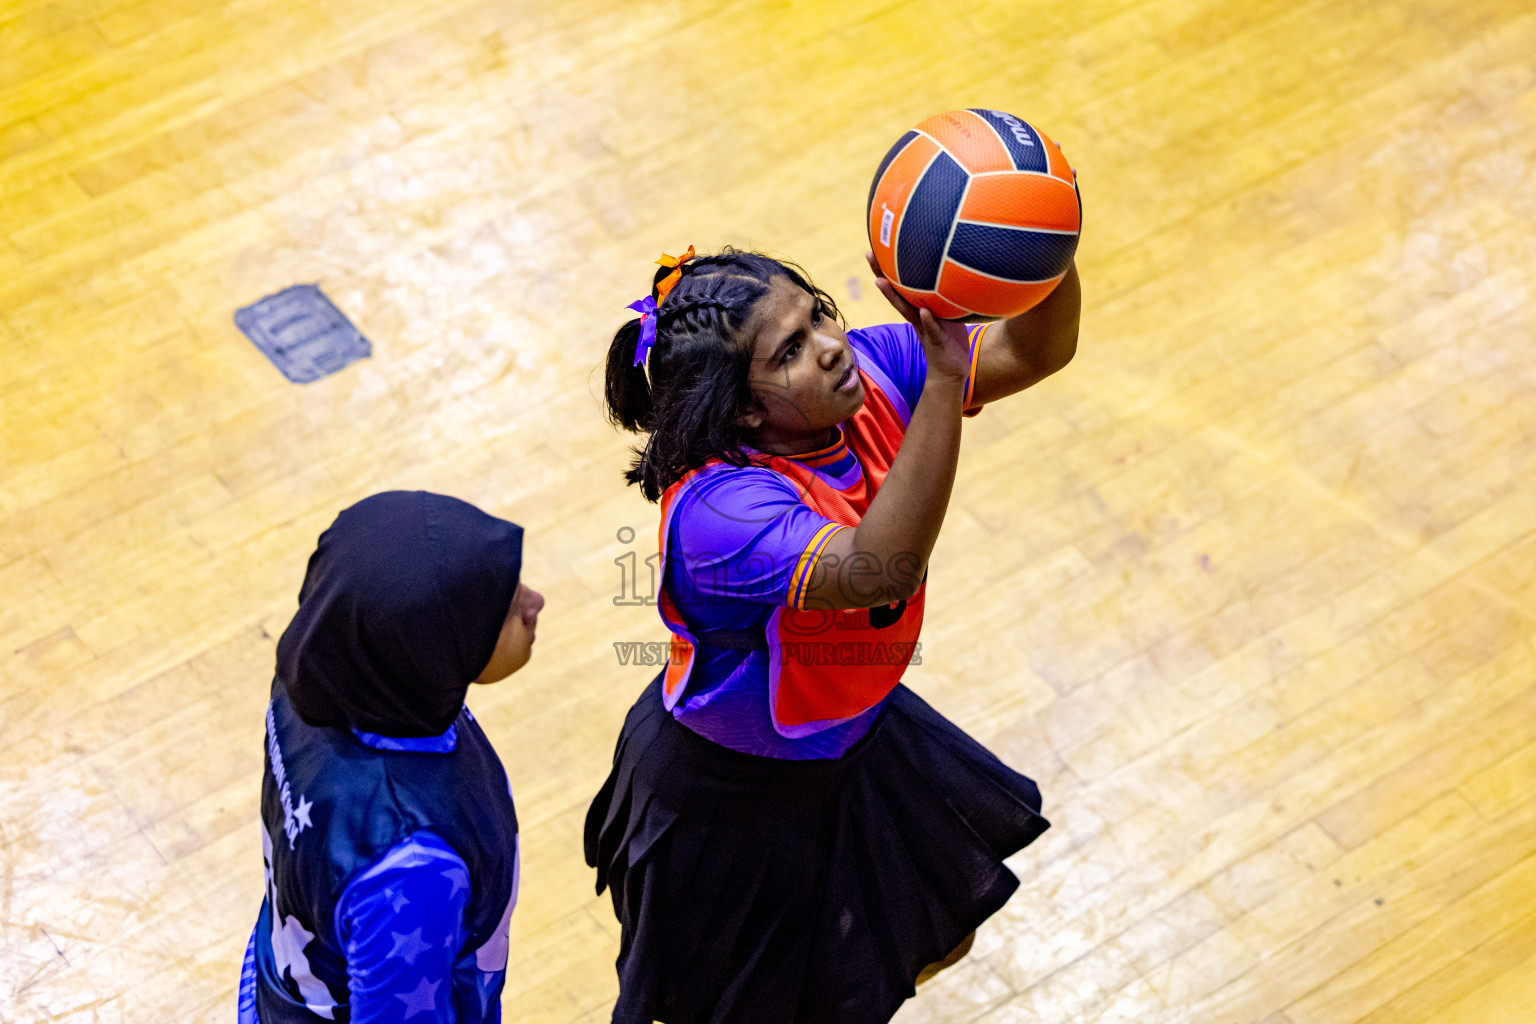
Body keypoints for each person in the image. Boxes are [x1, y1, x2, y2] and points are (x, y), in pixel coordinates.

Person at [586, 245, 1080, 1023]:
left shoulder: (874, 371)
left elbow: (1033, 348)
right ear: (745, 410)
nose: (828, 343)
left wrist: (1045, 247)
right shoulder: (721, 516)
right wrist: (945, 381)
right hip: (733, 802)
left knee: (924, 945)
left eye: (817, 313)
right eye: (790, 351)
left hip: (854, 740)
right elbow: (880, 570)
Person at [238, 490, 544, 1023]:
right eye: (501, 607)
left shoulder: (316, 681)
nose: (534, 601)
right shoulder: (412, 868)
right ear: (425, 648)